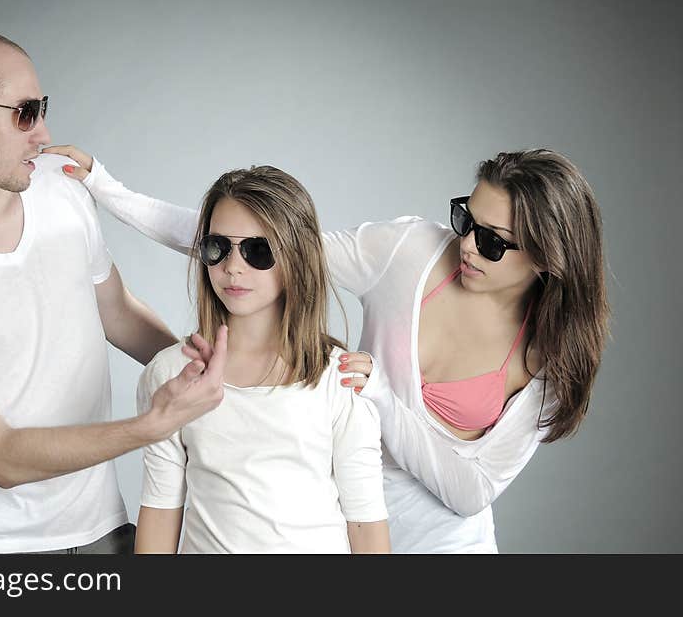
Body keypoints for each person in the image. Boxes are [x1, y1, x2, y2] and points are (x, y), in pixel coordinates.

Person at [44, 144, 610, 553]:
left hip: (443, 544)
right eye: (465, 217)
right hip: (337, 525)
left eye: (492, 241)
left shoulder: (551, 360)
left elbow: (471, 493)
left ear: (546, 257)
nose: (466, 245)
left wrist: (381, 398)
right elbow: (262, 243)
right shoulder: (410, 251)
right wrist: (105, 188)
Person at [0, 25, 227, 555]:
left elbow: (116, 312)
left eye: (43, 108)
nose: (44, 134)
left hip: (102, 532)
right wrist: (153, 424)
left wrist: (209, 374)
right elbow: (1, 455)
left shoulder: (57, 186)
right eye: (25, 112)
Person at [130, 166, 390, 553]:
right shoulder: (171, 375)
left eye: (258, 250)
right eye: (218, 246)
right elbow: (160, 514)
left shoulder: (340, 378)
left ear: (297, 258)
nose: (233, 267)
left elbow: (367, 527)